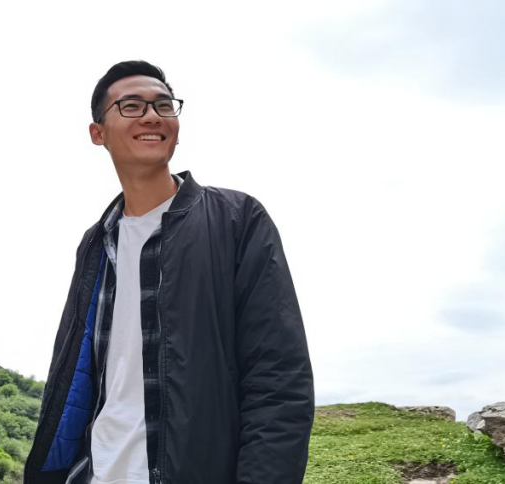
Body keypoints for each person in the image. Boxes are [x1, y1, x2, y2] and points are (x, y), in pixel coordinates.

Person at [23, 60, 315, 484]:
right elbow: (76, 378)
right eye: (131, 106)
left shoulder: (236, 220)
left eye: (163, 105)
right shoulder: (96, 243)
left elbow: (278, 380)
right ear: (98, 133)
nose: (152, 116)